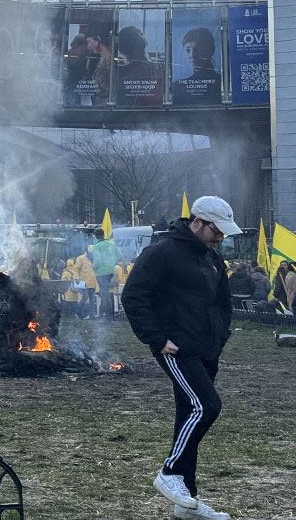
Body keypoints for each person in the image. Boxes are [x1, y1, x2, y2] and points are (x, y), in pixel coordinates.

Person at [121, 196, 239, 520]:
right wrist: (157, 339)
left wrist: (220, 336)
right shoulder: (161, 252)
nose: (221, 238)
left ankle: (187, 502)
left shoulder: (213, 258)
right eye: (217, 230)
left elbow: (222, 302)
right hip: (177, 348)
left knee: (190, 416)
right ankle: (170, 472)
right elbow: (133, 296)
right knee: (207, 406)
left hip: (207, 349)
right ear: (197, 222)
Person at [172, 27, 221, 105]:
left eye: (198, 49)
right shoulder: (178, 86)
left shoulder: (178, 87)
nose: (192, 55)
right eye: (188, 50)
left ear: (211, 49)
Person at [91, 229, 124, 318]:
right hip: (110, 271)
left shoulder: (97, 246)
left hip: (101, 272)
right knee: (105, 292)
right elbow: (120, 256)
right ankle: (103, 313)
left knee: (104, 293)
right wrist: (112, 263)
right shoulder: (111, 244)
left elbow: (97, 261)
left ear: (96, 236)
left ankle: (109, 314)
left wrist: (94, 268)